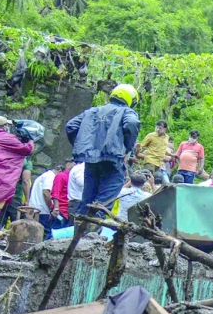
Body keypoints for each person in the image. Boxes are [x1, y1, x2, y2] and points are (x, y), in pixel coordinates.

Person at [65, 83, 141, 219]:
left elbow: (71, 126)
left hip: (91, 161)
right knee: (104, 201)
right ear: (131, 100)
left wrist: (82, 147)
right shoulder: (126, 111)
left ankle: (79, 233)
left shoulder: (92, 111)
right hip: (112, 160)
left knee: (87, 199)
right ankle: (93, 232)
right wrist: (127, 148)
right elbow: (132, 124)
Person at [28, 164, 58, 239]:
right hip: (43, 209)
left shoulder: (43, 176)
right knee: (46, 233)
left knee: (36, 233)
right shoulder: (50, 176)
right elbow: (46, 192)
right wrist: (51, 207)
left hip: (36, 208)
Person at [135, 120, 170, 184]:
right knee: (148, 178)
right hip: (150, 160)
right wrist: (138, 148)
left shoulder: (166, 137)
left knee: (156, 180)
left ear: (165, 129)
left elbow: (163, 148)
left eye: (160, 128)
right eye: (157, 127)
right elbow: (142, 145)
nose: (158, 129)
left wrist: (171, 154)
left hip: (159, 163)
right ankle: (145, 191)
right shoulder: (151, 135)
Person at [51, 159, 73, 224]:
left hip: (69, 210)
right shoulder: (61, 176)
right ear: (68, 165)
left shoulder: (72, 176)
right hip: (60, 210)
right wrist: (56, 208)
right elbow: (55, 192)